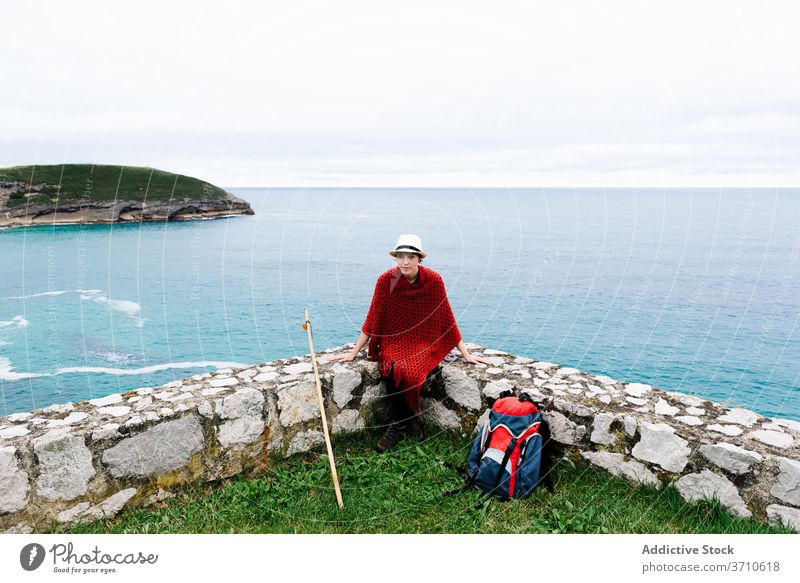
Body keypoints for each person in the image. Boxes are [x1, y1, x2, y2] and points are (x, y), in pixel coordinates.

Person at [329, 234, 493, 452]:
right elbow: (373, 318)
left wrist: (466, 354)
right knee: (390, 368)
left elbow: (447, 318)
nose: (405, 261)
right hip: (394, 340)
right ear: (396, 258)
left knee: (412, 369)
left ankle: (398, 424)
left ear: (419, 259)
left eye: (410, 256)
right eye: (400, 256)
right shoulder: (386, 281)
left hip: (424, 342)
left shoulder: (434, 281)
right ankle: (407, 421)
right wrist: (353, 352)